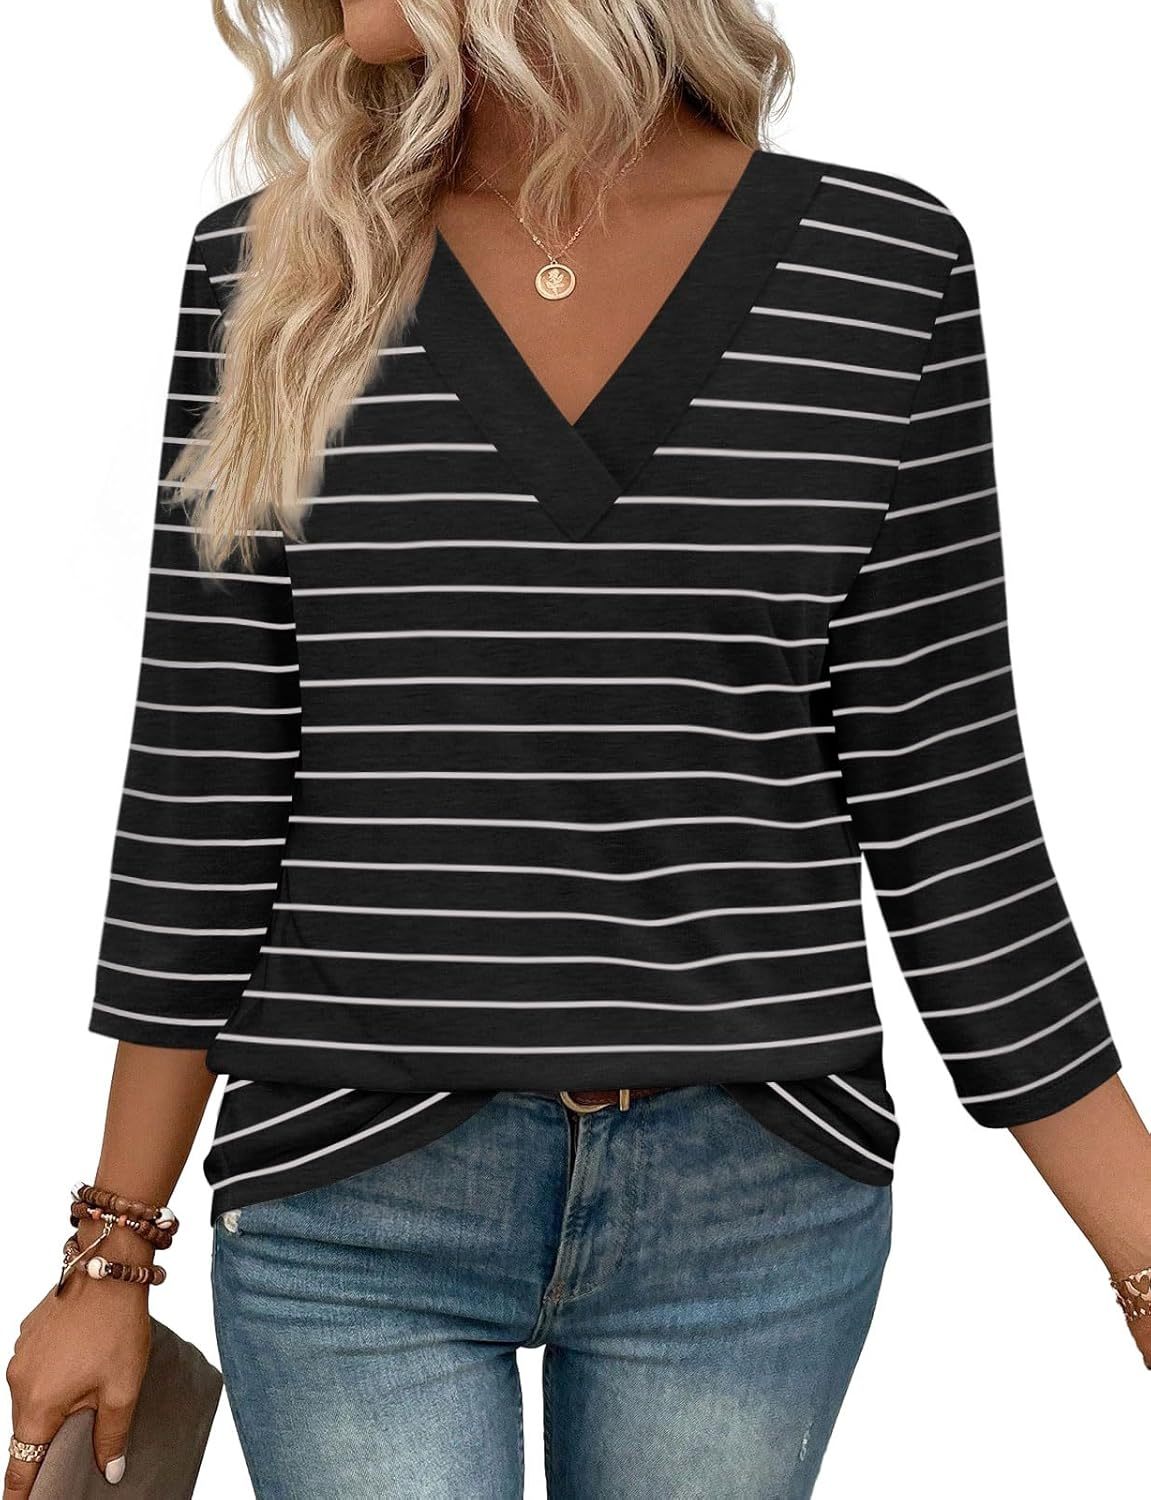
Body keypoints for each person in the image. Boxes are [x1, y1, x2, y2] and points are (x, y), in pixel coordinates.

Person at [6, 2, 1150, 1497]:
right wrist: (110, 1254)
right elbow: (208, 782)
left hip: (753, 1200)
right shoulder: (275, 266)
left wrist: (1141, 1250)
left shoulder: (882, 269)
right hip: (347, 1195)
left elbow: (945, 800)